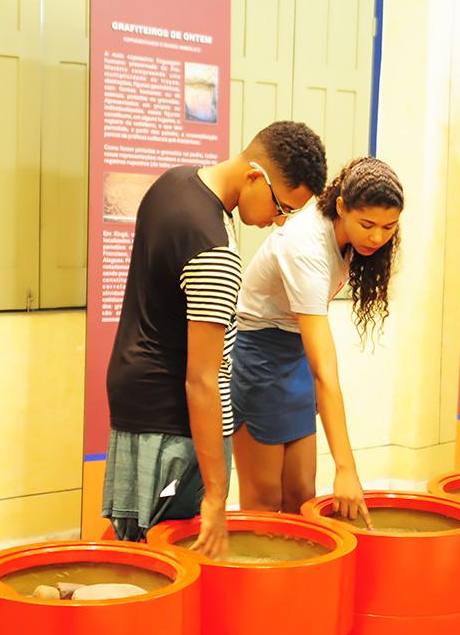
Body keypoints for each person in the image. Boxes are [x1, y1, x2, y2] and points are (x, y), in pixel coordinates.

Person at [102, 121, 327, 560]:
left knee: (135, 545)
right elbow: (203, 380)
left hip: (134, 397)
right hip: (176, 425)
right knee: (174, 560)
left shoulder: (173, 184)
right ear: (255, 176)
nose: (277, 221)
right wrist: (217, 495)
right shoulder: (215, 249)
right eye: (281, 206)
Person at [229, 156, 403, 635]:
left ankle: (292, 625)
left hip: (289, 356)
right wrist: (346, 468)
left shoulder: (349, 237)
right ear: (341, 207)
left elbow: (316, 362)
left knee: (301, 499)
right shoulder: (305, 244)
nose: (377, 237)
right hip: (258, 354)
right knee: (263, 509)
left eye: (388, 228)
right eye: (367, 224)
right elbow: (327, 373)